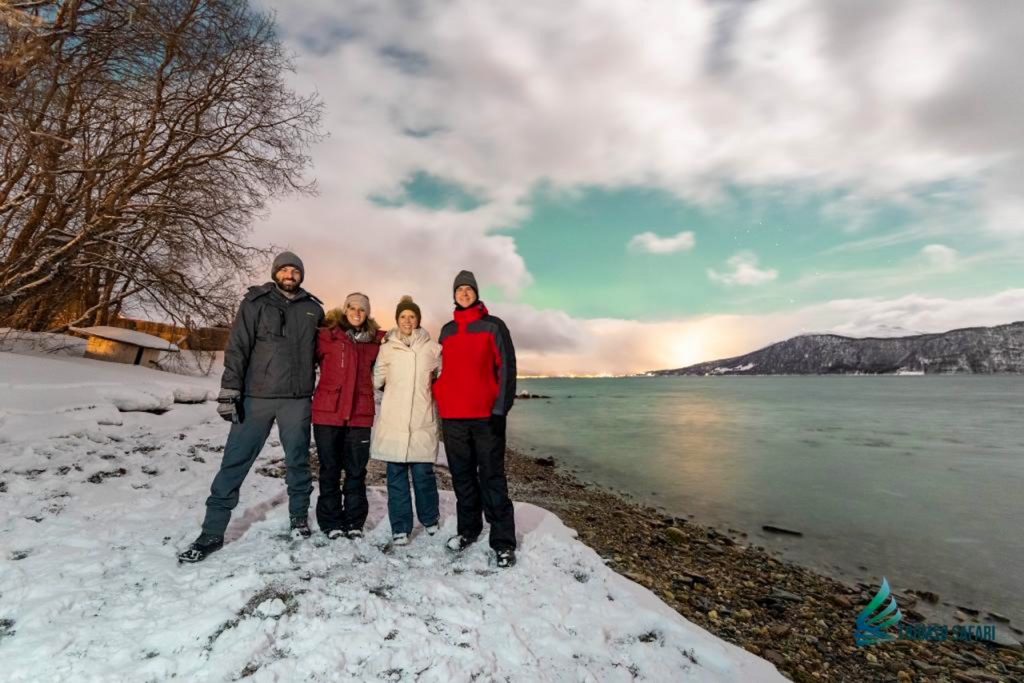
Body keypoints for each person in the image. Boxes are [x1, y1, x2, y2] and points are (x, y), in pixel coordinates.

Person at [178, 251, 323, 563]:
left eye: (295, 270)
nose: (289, 274)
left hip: (296, 400)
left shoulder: (313, 309)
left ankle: (298, 519)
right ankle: (212, 532)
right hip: (256, 396)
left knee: (298, 462)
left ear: (301, 275)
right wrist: (230, 391)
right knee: (234, 462)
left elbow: (325, 350)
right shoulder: (256, 302)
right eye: (284, 269)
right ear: (275, 273)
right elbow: (238, 347)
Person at [432, 270, 518, 568]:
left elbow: (507, 368)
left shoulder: (494, 326)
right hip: (453, 417)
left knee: (492, 477)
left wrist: (500, 410)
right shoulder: (447, 330)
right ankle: (468, 530)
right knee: (463, 477)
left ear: (476, 293)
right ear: (454, 295)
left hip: (486, 418)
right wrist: (439, 393)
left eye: (469, 289)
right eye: (459, 290)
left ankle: (503, 541)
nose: (464, 293)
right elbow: (438, 369)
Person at [312, 292, 385, 539]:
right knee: (329, 469)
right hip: (327, 413)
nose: (356, 312)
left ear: (367, 314)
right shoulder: (326, 336)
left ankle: (354, 521)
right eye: (352, 308)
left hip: (359, 415)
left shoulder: (375, 341)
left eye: (362, 309)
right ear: (345, 310)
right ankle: (331, 522)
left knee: (356, 471)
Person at [371, 296, 442, 546]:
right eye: (403, 316)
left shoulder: (433, 349)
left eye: (412, 316)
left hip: (422, 420)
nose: (408, 320)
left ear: (418, 319)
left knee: (424, 474)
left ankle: (430, 519)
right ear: (397, 320)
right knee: (396, 476)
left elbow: (441, 378)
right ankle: (400, 527)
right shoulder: (387, 348)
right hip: (394, 421)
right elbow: (376, 380)